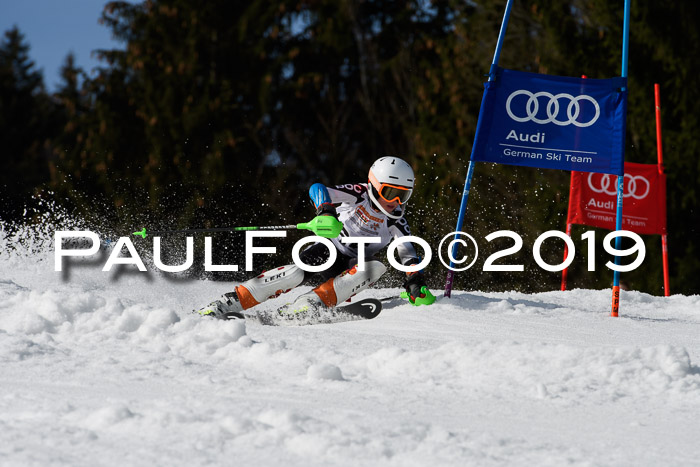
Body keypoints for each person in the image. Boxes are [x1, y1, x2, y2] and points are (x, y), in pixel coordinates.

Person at [196, 156, 435, 319]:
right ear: (373, 185)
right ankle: (230, 302)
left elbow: (408, 254)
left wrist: (415, 281)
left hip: (351, 267)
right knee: (296, 273)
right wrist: (326, 211)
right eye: (390, 193)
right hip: (327, 250)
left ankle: (309, 303)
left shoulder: (396, 221)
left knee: (375, 268)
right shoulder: (359, 193)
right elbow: (318, 189)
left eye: (403, 196)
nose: (394, 203)